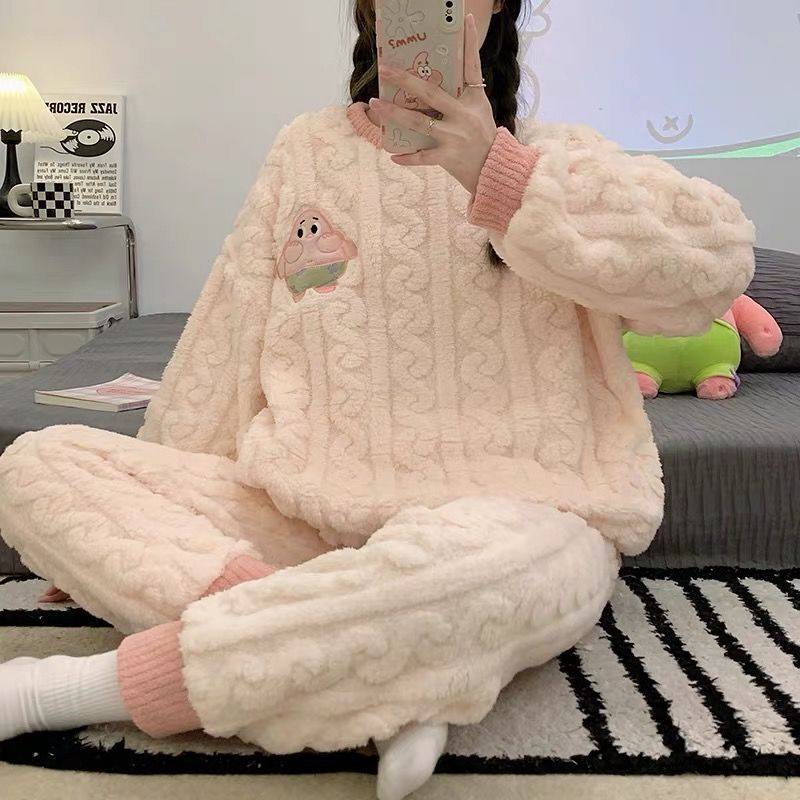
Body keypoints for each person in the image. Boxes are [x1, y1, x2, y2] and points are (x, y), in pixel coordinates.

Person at [0, 2, 756, 799]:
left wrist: (498, 174)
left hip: (520, 512)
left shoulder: (557, 156)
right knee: (37, 465)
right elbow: (228, 334)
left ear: (497, 6)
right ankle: (387, 661)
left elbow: (713, 269)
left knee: (501, 574)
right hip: (303, 514)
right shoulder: (307, 148)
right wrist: (144, 533)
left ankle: (82, 688)